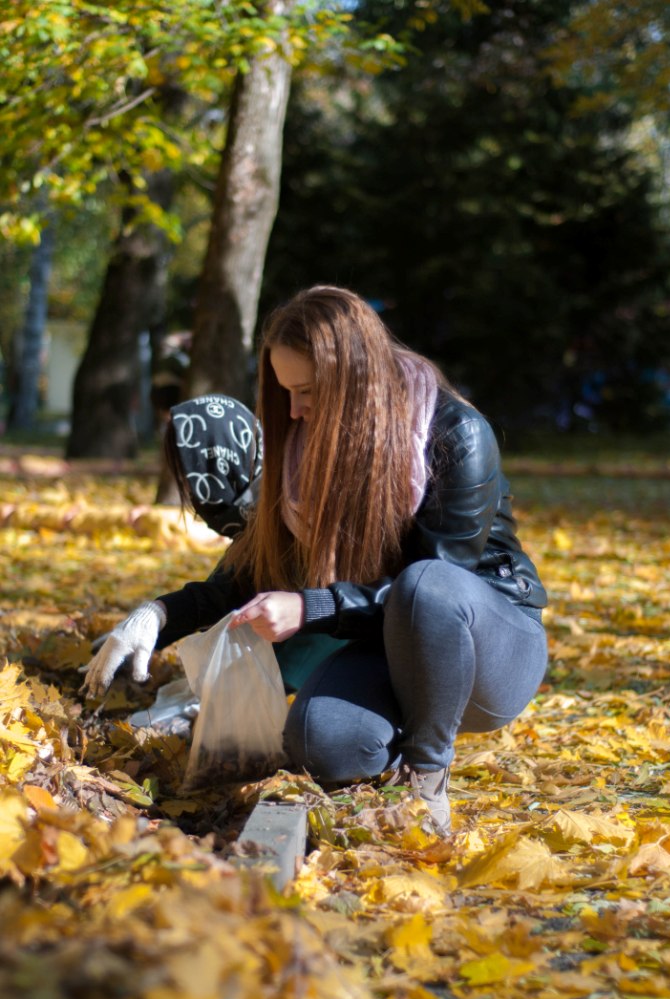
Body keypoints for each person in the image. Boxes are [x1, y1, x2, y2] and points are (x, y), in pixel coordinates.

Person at [83, 285, 548, 832]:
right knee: (317, 741)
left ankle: (427, 779)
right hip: (387, 651)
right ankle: (394, 744)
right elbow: (245, 574)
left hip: (486, 650)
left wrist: (311, 608)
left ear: (355, 380)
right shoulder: (305, 452)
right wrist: (156, 617)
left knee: (425, 584)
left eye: (307, 391)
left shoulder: (456, 434)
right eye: (285, 392)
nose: (294, 410)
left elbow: (438, 587)